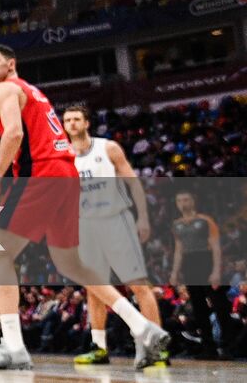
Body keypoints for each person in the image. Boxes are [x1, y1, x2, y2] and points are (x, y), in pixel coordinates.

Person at [0, 45, 170, 370]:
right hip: (67, 174)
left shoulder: (6, 88)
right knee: (71, 263)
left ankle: (13, 347)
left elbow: (14, 134)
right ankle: (142, 327)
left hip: (43, 174)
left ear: (12, 63)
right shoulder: (34, 92)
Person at [62, 103, 166, 369]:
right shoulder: (62, 156)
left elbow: (133, 182)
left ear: (87, 123)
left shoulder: (107, 148)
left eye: (76, 119)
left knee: (138, 284)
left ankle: (156, 347)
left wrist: (142, 217)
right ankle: (99, 348)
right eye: (67, 120)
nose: (71, 123)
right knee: (95, 290)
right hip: (85, 226)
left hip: (116, 221)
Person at [170, 189, 235, 358]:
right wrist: (175, 272)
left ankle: (228, 347)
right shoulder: (176, 224)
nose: (183, 203)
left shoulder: (206, 220)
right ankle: (209, 349)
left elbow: (215, 246)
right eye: (179, 200)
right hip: (189, 265)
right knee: (199, 308)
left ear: (193, 201)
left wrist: (215, 271)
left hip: (206, 261)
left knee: (219, 305)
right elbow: (179, 250)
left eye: (186, 199)